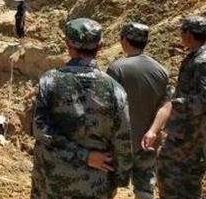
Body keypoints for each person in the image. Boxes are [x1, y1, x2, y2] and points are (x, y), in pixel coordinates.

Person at [31, 18, 133, 198]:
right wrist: (118, 179)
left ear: (68, 45)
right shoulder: (115, 89)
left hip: (51, 181)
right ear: (100, 46)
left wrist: (82, 155)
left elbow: (40, 129)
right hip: (94, 185)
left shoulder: (49, 81)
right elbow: (123, 141)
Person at [141, 16, 206, 198]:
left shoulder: (201, 61)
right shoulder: (196, 57)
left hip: (188, 136)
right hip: (190, 134)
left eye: (182, 31)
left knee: (173, 180)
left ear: (189, 34)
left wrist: (175, 105)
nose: (180, 35)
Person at [106, 22, 170, 199]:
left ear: (124, 40)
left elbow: (107, 106)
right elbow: (166, 105)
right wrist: (153, 131)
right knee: (145, 188)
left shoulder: (117, 68)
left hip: (119, 142)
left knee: (108, 184)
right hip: (148, 141)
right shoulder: (161, 70)